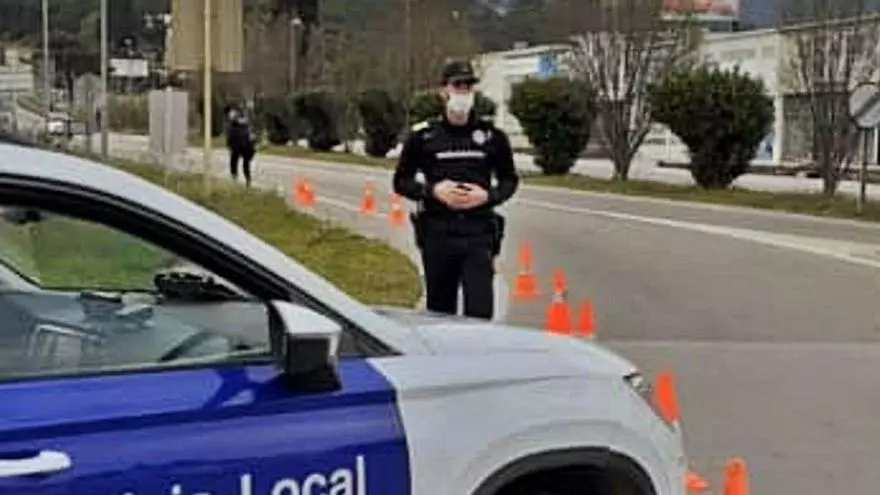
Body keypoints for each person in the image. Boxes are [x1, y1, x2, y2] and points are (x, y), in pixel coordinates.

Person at [393, 60, 520, 320]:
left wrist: (488, 196)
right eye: (457, 85)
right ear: (444, 91)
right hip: (438, 234)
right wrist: (432, 191)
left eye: (468, 86)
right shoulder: (424, 136)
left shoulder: (492, 136)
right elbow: (401, 181)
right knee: (440, 315)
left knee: (480, 313)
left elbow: (509, 180)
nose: (463, 92)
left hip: (478, 234)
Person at [225, 107, 257, 187]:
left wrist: (229, 145)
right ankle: (247, 179)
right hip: (244, 146)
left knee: (235, 161)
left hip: (240, 146)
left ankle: (237, 177)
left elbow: (230, 137)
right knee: (243, 163)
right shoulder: (245, 124)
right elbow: (251, 136)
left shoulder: (234, 125)